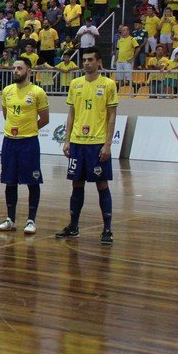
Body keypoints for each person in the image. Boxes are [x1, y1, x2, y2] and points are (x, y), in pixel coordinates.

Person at [57, 46, 118, 245]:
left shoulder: (108, 84)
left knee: (102, 184)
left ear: (98, 62)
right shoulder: (75, 84)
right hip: (77, 143)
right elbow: (71, 113)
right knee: (77, 184)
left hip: (97, 143)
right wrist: (67, 140)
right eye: (84, 60)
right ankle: (73, 226)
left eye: (90, 59)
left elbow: (111, 117)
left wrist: (107, 144)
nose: (86, 63)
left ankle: (107, 229)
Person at [0, 58, 49, 234]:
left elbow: (45, 118)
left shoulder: (37, 92)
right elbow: (6, 114)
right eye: (14, 68)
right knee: (10, 181)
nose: (15, 71)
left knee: (32, 181)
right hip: (10, 141)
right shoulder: (7, 91)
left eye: (19, 68)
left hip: (29, 142)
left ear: (29, 71)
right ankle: (10, 219)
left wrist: (30, 129)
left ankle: (31, 220)